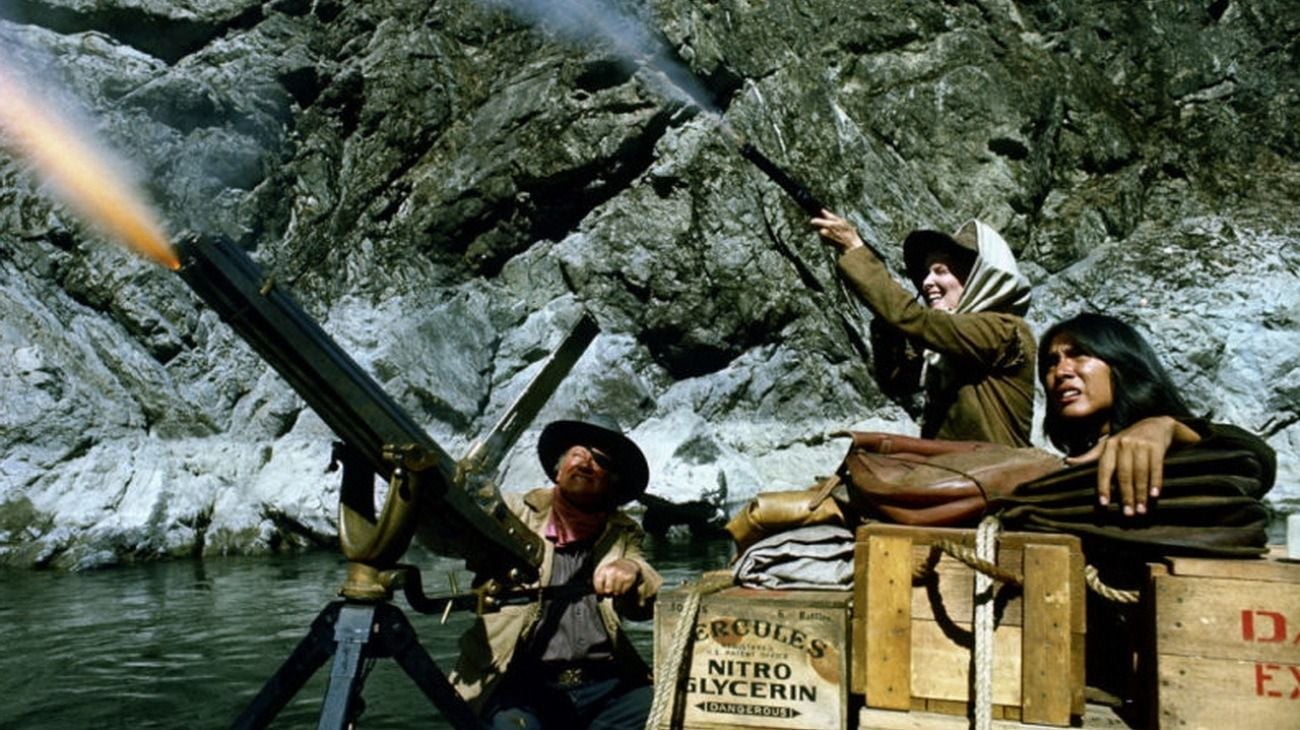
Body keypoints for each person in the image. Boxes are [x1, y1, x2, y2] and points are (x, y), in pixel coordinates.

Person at [449, 417, 662, 730]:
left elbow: (646, 585)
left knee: (675, 711)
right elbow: (451, 536)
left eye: (599, 460)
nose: (585, 463)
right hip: (518, 685)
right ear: (558, 469)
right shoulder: (513, 513)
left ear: (612, 481)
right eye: (577, 454)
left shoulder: (622, 531)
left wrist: (631, 570)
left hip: (606, 687)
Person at [812, 211, 1036, 446]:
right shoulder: (949, 345)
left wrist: (855, 249)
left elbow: (915, 319)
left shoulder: (1004, 331)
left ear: (978, 276)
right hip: (953, 465)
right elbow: (899, 383)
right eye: (927, 274)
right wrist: (888, 324)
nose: (927, 282)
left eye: (940, 271)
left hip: (995, 467)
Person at [1038, 311, 1276, 515]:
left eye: (1078, 354)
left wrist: (1168, 428)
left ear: (1121, 363)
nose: (1060, 371)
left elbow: (1256, 458)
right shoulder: (1071, 461)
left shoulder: (1176, 446)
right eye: (1051, 362)